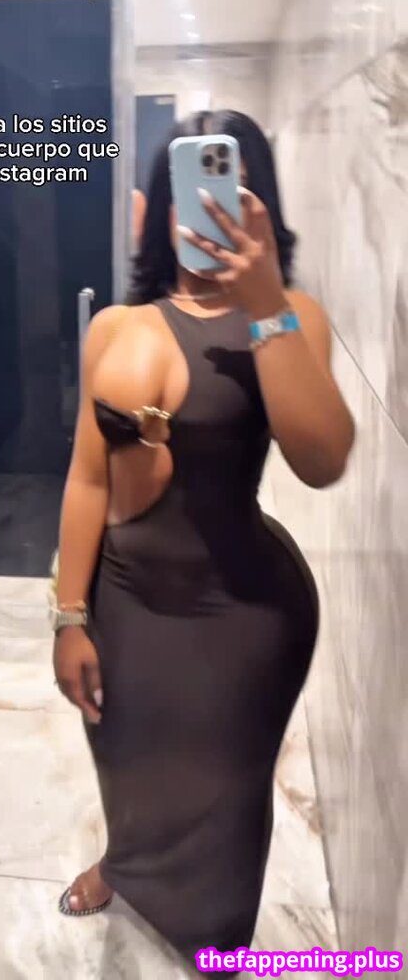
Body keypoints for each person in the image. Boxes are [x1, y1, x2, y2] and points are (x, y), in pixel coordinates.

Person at [52, 109, 355, 971]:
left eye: (233, 189)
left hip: (242, 615)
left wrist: (263, 306)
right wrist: (68, 615)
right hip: (123, 604)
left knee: (224, 792)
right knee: (126, 759)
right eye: (194, 186)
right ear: (162, 201)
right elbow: (86, 478)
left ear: (262, 207)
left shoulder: (291, 318)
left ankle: (217, 945)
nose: (211, 208)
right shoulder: (117, 326)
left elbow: (322, 460)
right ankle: (124, 863)